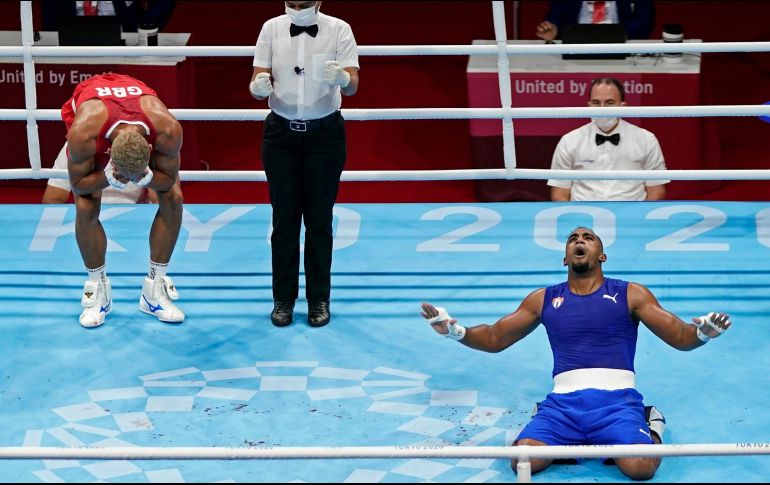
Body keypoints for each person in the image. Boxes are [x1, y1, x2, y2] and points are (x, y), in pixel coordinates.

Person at [420, 227, 731, 480]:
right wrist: (453, 330)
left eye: (588, 237)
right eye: (573, 238)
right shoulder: (542, 299)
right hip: (563, 406)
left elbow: (680, 337)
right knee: (523, 462)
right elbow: (494, 338)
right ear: (565, 258)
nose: (579, 240)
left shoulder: (631, 293)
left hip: (617, 402)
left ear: (602, 255)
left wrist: (704, 332)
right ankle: (560, 428)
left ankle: (651, 421)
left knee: (640, 469)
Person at [249, 1, 359, 328]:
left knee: (319, 221)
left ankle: (318, 299)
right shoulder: (271, 28)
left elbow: (353, 84)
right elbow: (258, 79)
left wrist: (341, 78)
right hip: (280, 135)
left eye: (303, 3)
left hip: (325, 137)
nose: (297, 8)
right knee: (283, 222)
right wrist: (257, 89)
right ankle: (283, 299)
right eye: (292, 3)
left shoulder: (339, 29)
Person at [63, 72, 185, 328]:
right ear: (108, 153)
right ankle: (98, 290)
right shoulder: (83, 133)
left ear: (150, 150)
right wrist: (108, 176)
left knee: (173, 198)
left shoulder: (167, 129)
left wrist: (148, 176)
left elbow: (168, 180)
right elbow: (78, 184)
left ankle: (154, 290)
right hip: (94, 106)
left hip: (136, 103)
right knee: (85, 204)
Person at [547, 78, 669, 201]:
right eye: (596, 102)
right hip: (584, 215)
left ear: (622, 106)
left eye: (609, 102)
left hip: (631, 215)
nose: (602, 108)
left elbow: (656, 190)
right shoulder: (569, 141)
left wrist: (640, 218)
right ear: (588, 105)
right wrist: (575, 218)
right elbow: (559, 192)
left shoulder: (646, 139)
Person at [43, 143, 155, 203]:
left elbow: (158, 200)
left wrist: (143, 175)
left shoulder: (144, 146)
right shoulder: (77, 145)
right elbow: (53, 198)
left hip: (135, 219)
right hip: (89, 214)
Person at [536, 0, 655, 42]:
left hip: (622, 48)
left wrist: (615, 35)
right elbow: (555, 18)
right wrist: (554, 31)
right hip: (576, 50)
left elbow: (644, 21)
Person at [41, 0, 176, 33]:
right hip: (70, 49)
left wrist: (145, 27)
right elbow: (50, 19)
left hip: (124, 47)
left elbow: (164, 3)